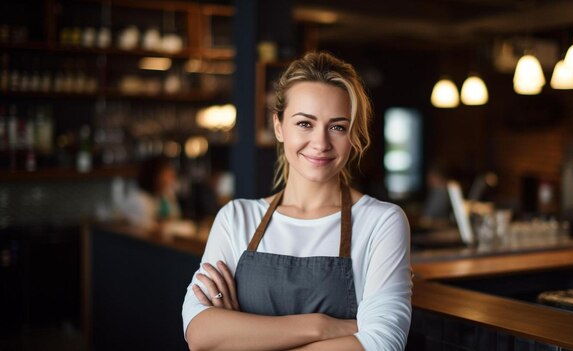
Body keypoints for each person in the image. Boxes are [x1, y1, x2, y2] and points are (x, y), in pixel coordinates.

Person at [182, 52, 412, 351]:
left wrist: (243, 337)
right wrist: (323, 326)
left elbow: (383, 344)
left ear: (353, 134)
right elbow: (199, 333)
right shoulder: (236, 218)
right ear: (279, 126)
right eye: (305, 124)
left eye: (338, 127)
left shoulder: (381, 222)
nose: (321, 143)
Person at [121, 156, 181, 231]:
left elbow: (175, 217)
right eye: (166, 171)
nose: (172, 174)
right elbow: (147, 229)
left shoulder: (167, 194)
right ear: (154, 175)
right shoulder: (138, 199)